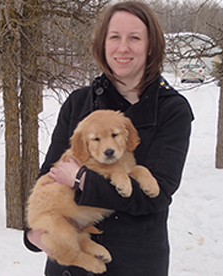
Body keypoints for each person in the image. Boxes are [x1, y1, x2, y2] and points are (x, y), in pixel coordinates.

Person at [23, 1, 194, 276]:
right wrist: (34, 232)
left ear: (150, 46)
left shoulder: (172, 109)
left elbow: (156, 195)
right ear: (103, 44)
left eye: (134, 38)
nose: (123, 48)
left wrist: (82, 180)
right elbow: (51, 173)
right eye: (114, 37)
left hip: (133, 263)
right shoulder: (78, 102)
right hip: (71, 263)